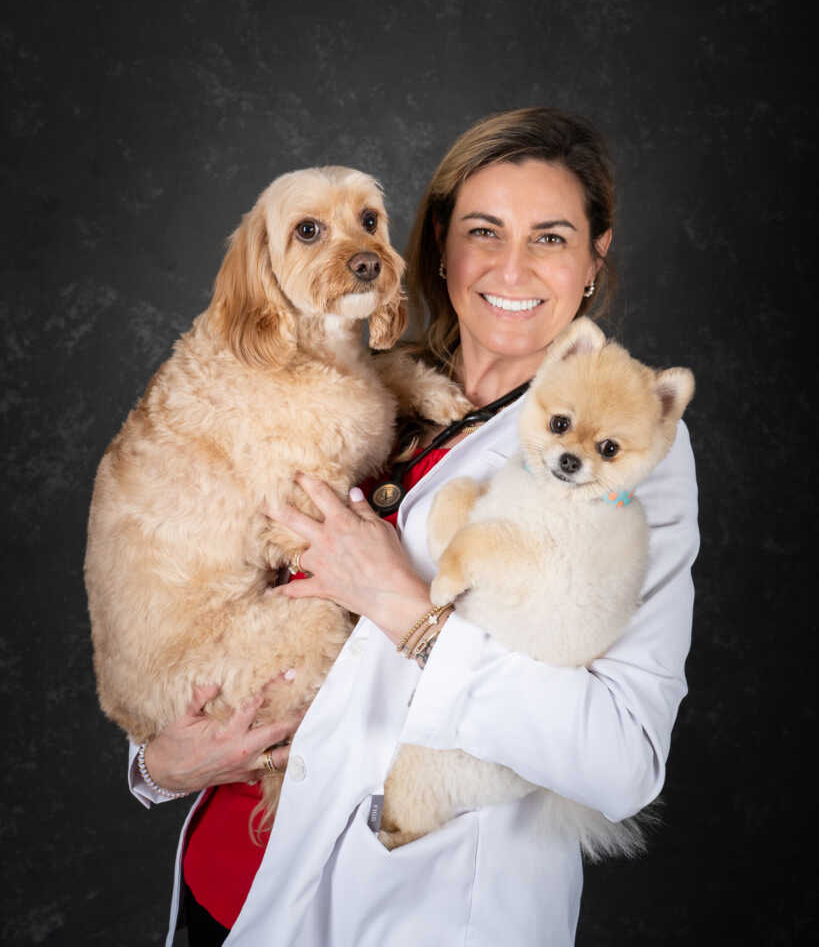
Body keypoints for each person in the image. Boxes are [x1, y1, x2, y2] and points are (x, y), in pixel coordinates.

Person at [128, 107, 698, 946]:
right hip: (225, 883)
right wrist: (156, 765)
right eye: (482, 231)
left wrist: (408, 609)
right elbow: (199, 578)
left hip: (398, 906)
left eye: (548, 237)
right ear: (438, 245)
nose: (510, 266)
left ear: (592, 259)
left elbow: (622, 763)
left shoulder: (631, 444)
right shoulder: (360, 384)